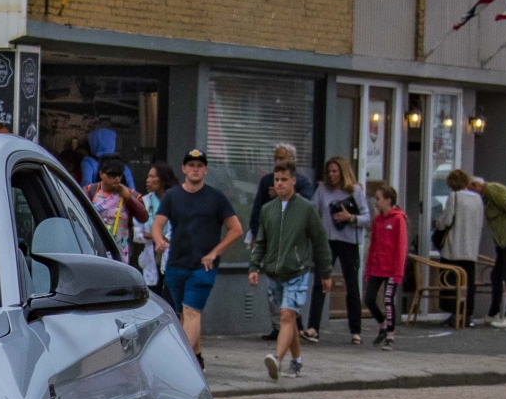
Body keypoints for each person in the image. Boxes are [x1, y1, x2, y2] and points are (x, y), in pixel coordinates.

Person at [146, 149, 242, 367]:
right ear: (184, 169)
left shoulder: (216, 198)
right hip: (176, 264)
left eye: (199, 166)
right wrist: (159, 239)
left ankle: (184, 365)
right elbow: (157, 225)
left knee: (191, 310)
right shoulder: (172, 196)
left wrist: (215, 252)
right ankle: (196, 357)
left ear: (205, 170)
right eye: (191, 165)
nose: (195, 169)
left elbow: (236, 229)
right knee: (182, 314)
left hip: (203, 266)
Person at [248, 163, 331, 380]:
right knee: (289, 318)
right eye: (276, 180)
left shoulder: (306, 209)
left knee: (286, 314)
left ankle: (277, 358)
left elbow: (320, 242)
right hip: (274, 272)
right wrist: (254, 266)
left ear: (293, 180)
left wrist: (326, 273)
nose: (280, 184)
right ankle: (297, 360)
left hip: (298, 271)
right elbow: (262, 242)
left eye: (284, 179)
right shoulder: (268, 209)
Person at [312, 157, 367, 344]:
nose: (331, 175)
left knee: (351, 286)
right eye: (329, 171)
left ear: (343, 172)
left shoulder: (355, 190)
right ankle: (313, 328)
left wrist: (350, 217)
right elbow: (312, 210)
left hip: (348, 241)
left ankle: (355, 331)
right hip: (327, 241)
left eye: (335, 171)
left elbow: (367, 218)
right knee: (320, 282)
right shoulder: (322, 190)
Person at [470, 174, 506, 322]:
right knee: (497, 275)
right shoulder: (487, 196)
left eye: (471, 190)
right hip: (503, 241)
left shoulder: (493, 191)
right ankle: (493, 313)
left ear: (476, 186)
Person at [436, 168, 486, 324]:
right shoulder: (478, 199)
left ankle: (453, 312)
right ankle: (467, 313)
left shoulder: (455, 197)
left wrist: (437, 223)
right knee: (468, 281)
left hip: (454, 246)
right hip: (470, 247)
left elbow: (447, 220)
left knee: (450, 280)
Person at [363, 179, 409, 348]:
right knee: (368, 298)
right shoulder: (377, 221)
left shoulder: (398, 220)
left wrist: (397, 272)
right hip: (377, 267)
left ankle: (390, 334)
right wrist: (369, 268)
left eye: (378, 198)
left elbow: (401, 247)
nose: (376, 202)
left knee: (388, 300)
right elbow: (373, 245)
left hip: (391, 269)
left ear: (388, 200)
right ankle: (383, 323)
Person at [89, 158, 149, 263]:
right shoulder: (90, 191)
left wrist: (129, 199)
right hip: (94, 246)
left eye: (119, 175)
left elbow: (143, 217)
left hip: (121, 250)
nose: (116, 179)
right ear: (101, 174)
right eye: (112, 175)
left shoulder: (130, 194)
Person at [137, 163, 174, 283]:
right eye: (148, 177)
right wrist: (157, 237)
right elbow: (137, 233)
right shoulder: (143, 202)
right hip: (151, 252)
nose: (148, 181)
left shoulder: (176, 201)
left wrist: (159, 237)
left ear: (163, 180)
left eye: (152, 177)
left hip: (171, 252)